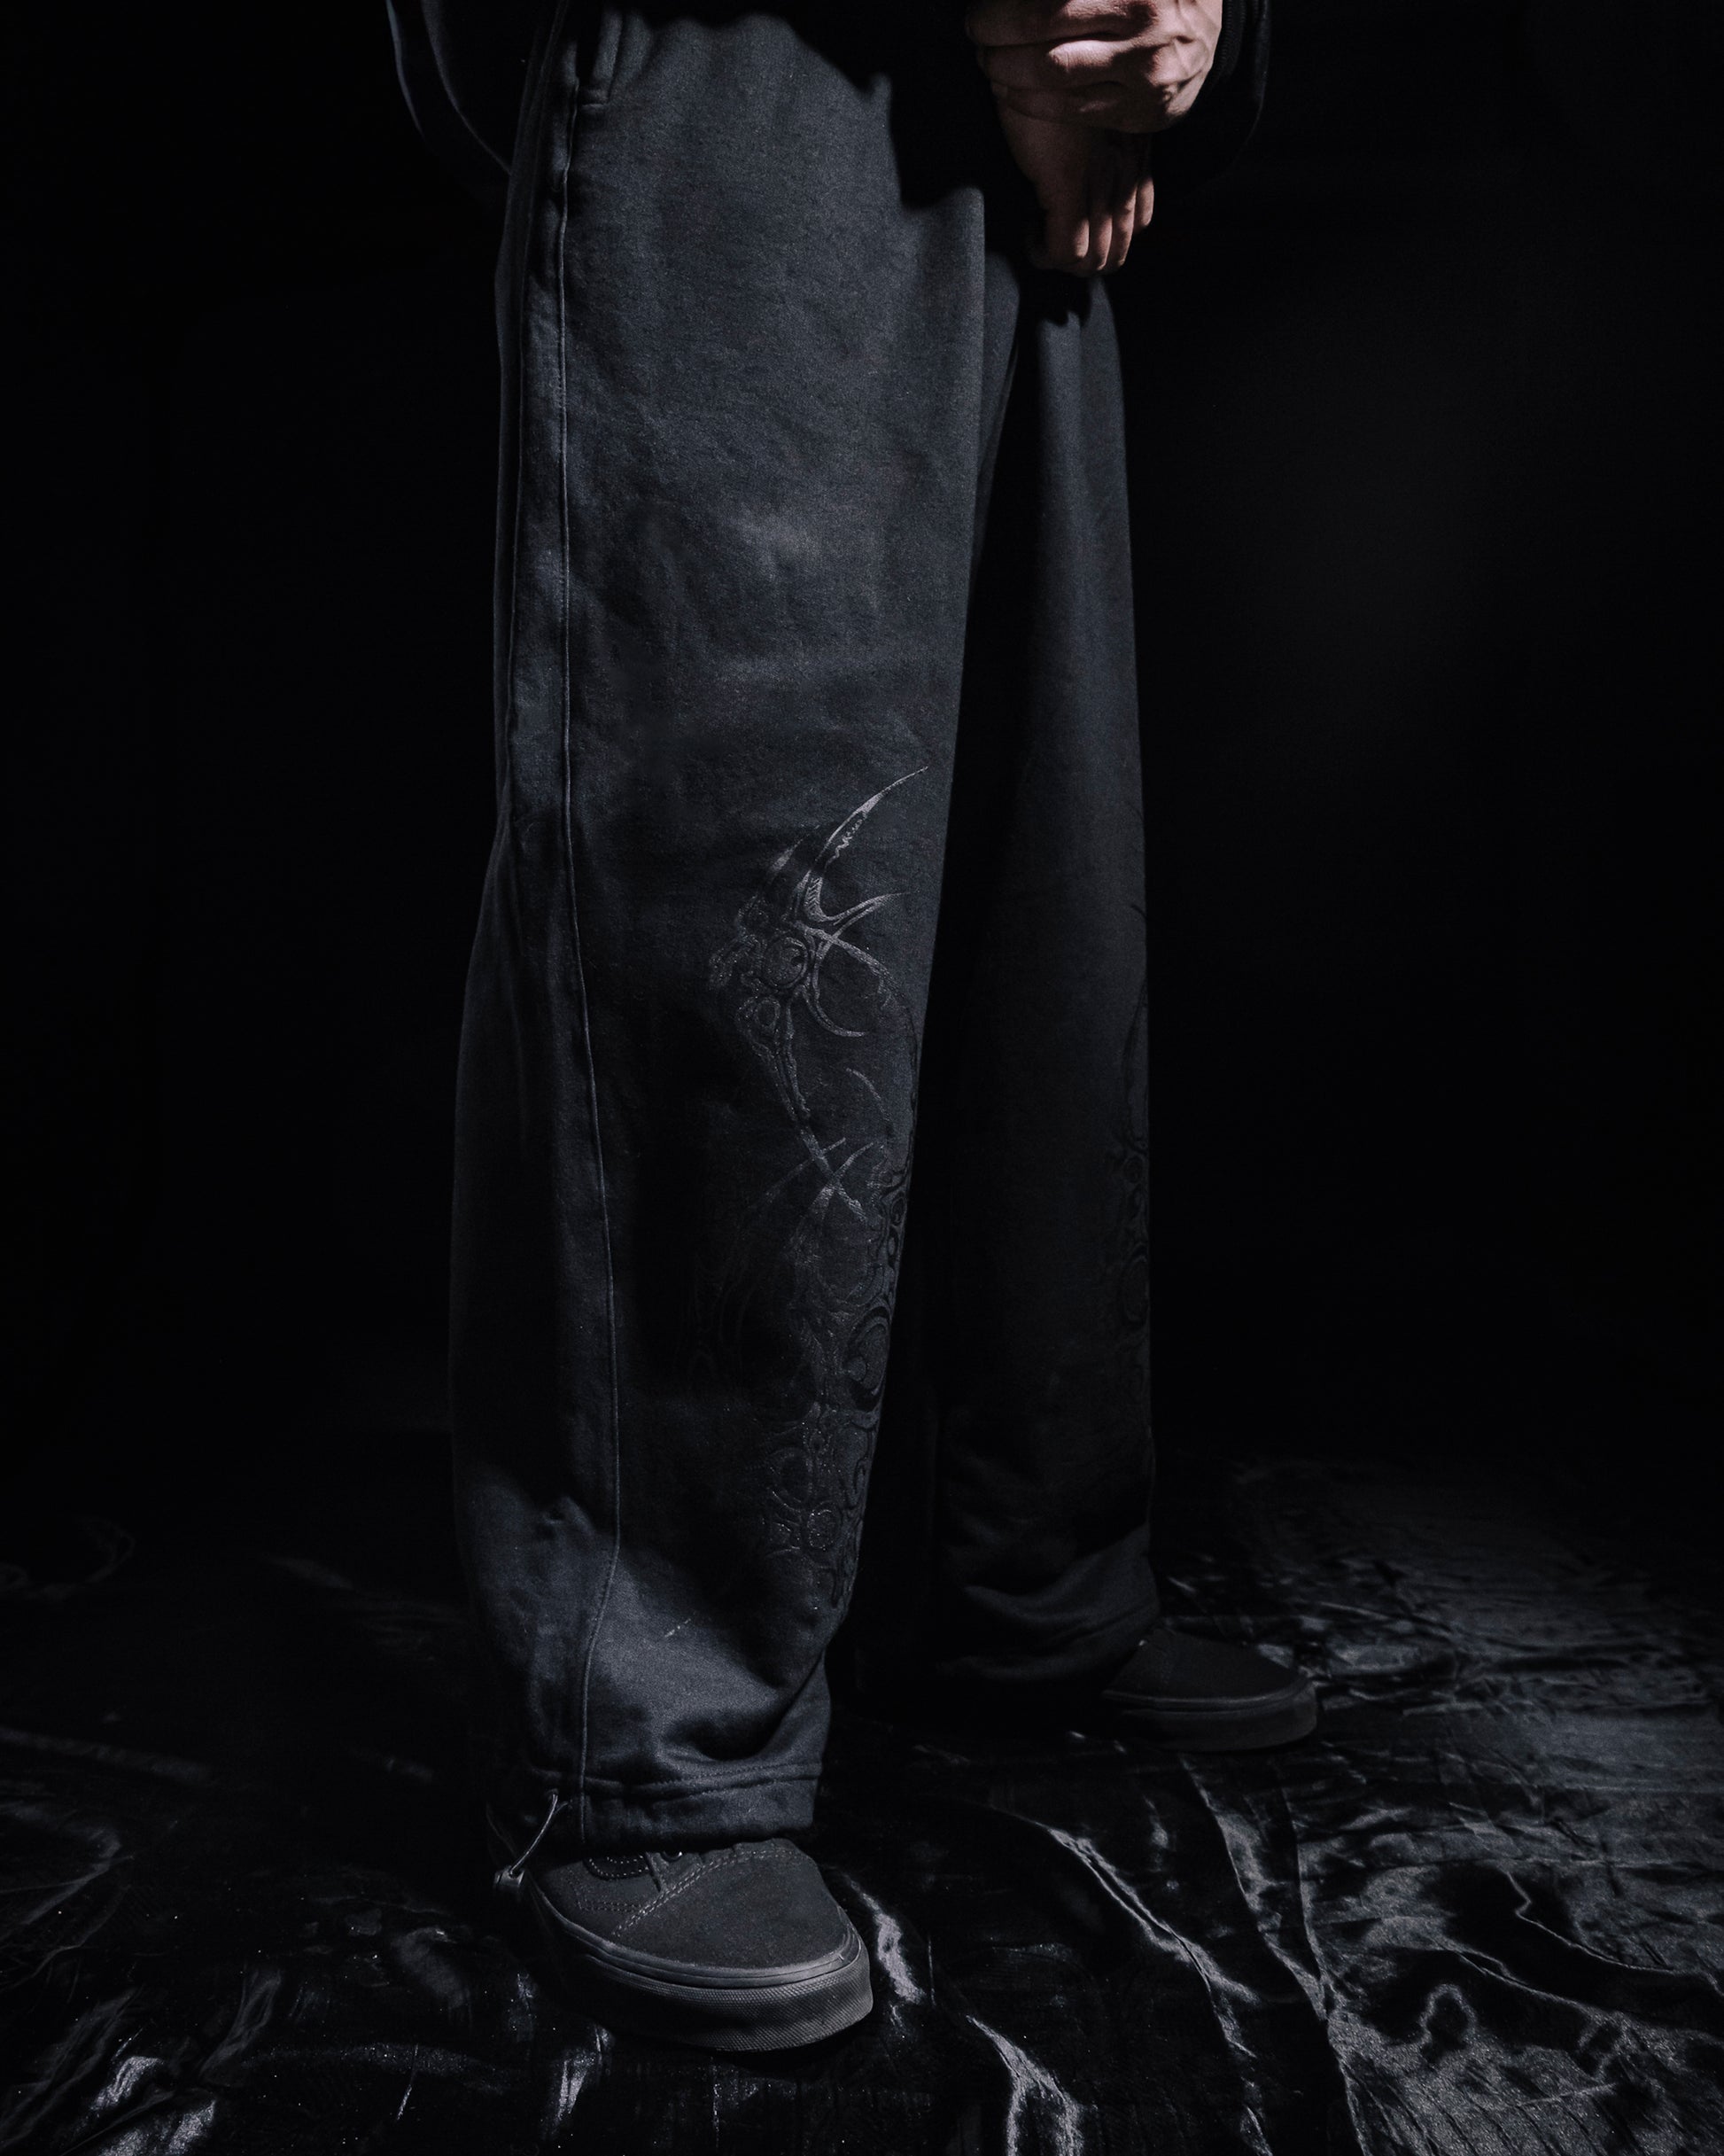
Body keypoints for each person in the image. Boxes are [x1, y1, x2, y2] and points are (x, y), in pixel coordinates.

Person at [389, 0, 1302, 2053]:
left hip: (1002, 112)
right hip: (738, 51)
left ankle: (1009, 1588)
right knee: (743, 863)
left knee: (1031, 865)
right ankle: (647, 1745)